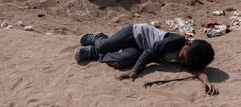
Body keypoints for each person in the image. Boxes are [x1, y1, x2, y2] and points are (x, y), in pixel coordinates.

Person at [74, 23, 218, 95]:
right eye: (182, 56)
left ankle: (95, 53)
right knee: (105, 45)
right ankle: (97, 38)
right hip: (136, 33)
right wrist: (134, 71)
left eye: (184, 61)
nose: (180, 59)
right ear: (188, 45)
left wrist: (206, 81)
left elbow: (197, 69)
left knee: (120, 62)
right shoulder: (176, 41)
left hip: (139, 49)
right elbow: (150, 53)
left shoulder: (188, 58)